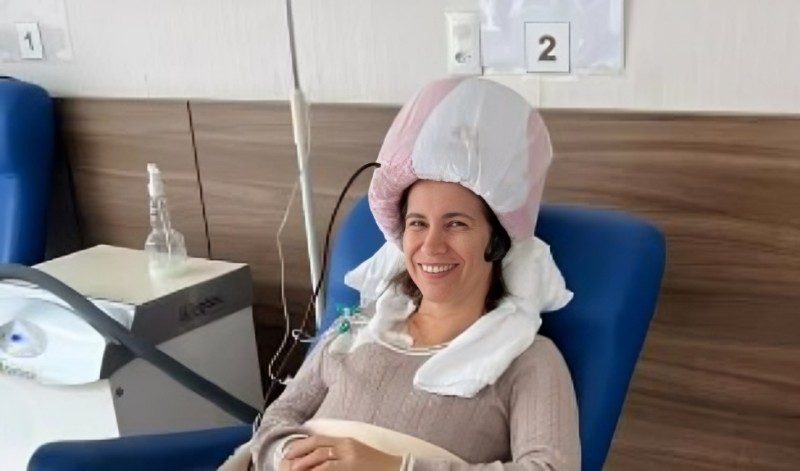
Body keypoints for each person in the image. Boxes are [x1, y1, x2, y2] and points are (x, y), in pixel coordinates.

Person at [249, 77, 580, 471]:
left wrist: (396, 467)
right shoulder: (356, 328)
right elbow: (276, 422)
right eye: (418, 223)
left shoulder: (528, 359)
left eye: (456, 224)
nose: (432, 245)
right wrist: (288, 457)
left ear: (495, 243)